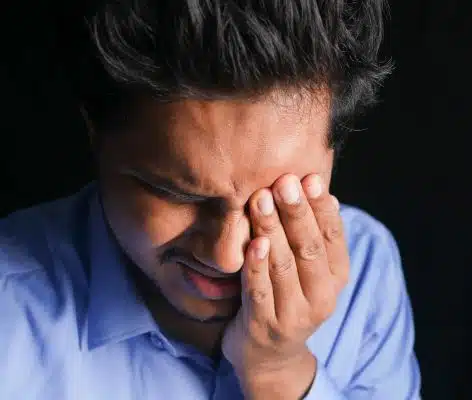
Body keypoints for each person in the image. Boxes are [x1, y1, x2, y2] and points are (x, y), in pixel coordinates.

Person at [0, 0, 421, 398]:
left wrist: (279, 373)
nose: (227, 257)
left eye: (276, 198)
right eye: (176, 194)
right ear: (96, 133)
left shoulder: (366, 270)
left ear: (335, 150)